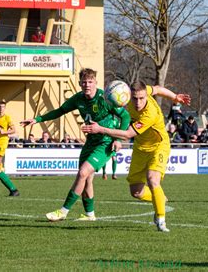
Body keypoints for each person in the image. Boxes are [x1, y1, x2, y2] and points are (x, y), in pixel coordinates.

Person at [20, 68, 131, 222]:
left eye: (90, 82)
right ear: (79, 83)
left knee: (82, 173)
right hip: (90, 142)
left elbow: (125, 116)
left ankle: (63, 211)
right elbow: (59, 111)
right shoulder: (78, 99)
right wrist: (37, 119)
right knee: (87, 180)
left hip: (105, 143)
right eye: (84, 82)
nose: (87, 85)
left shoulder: (105, 98)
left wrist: (118, 139)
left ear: (96, 83)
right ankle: (89, 214)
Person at [82, 81, 191, 232]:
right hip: (140, 148)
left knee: (153, 180)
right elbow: (158, 89)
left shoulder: (149, 114)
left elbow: (127, 134)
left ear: (145, 96)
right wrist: (174, 97)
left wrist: (100, 129)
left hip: (158, 146)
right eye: (134, 98)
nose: (138, 102)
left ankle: (161, 220)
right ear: (128, 96)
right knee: (136, 192)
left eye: (141, 98)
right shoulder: (132, 93)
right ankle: (159, 198)